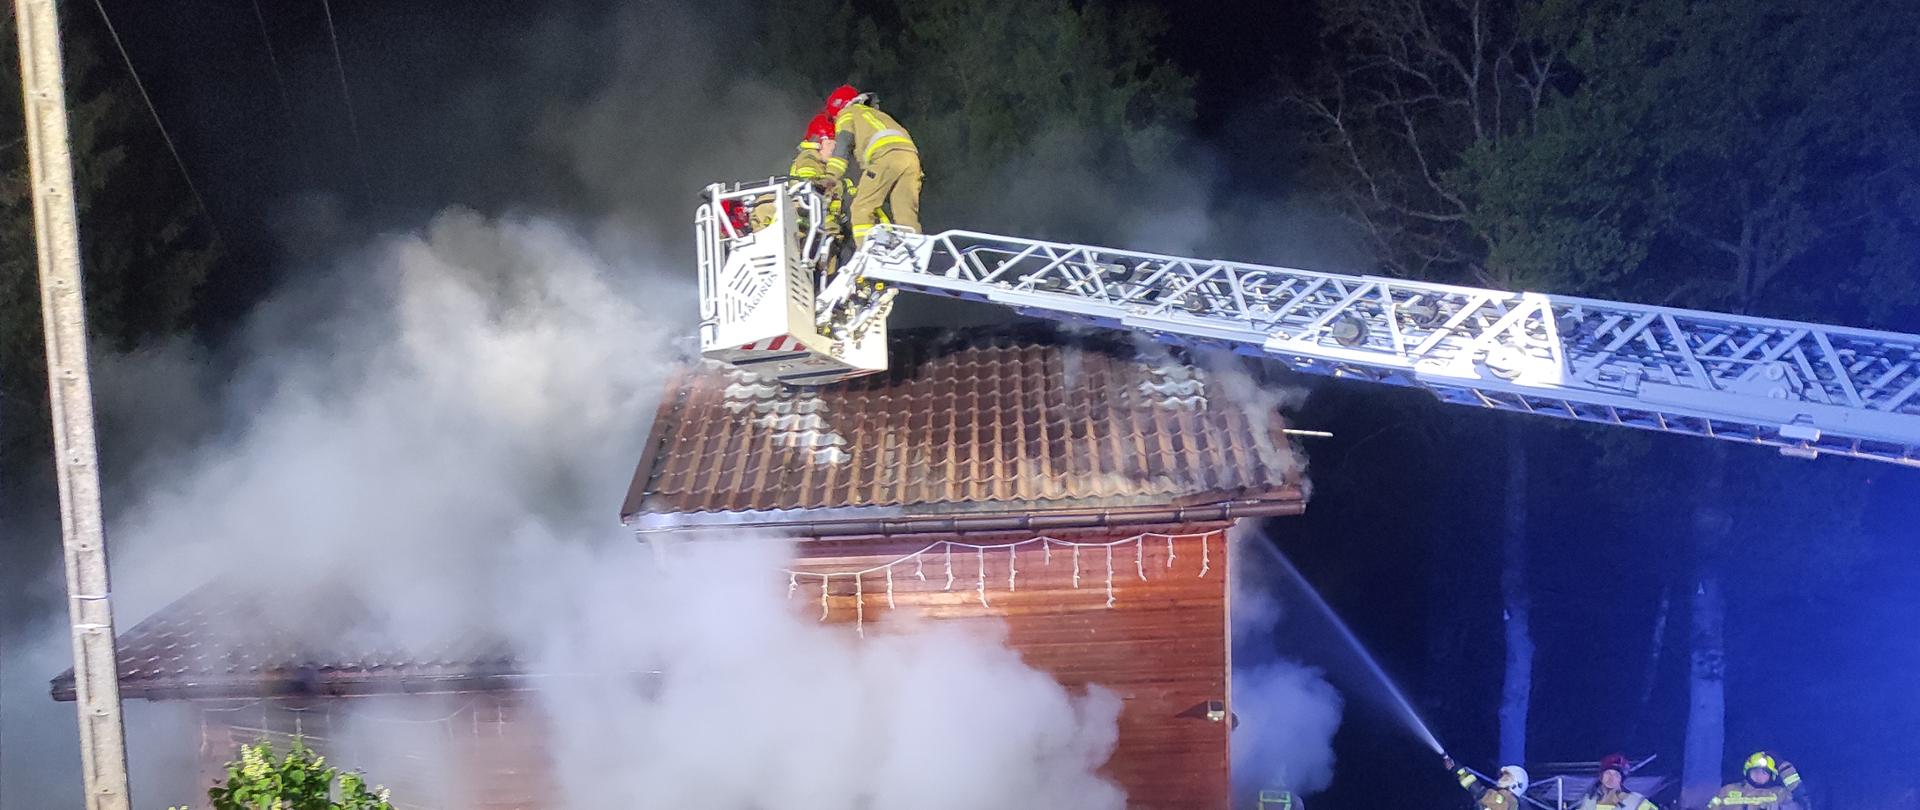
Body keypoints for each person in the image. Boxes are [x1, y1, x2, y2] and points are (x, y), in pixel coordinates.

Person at [816, 83, 922, 246]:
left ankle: (865, 257)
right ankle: (915, 256)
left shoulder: (847, 114)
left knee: (861, 209)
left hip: (885, 159)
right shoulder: (877, 114)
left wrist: (831, 176)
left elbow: (842, 147)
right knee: (905, 216)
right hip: (911, 159)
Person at [751, 114, 839, 232]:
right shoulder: (809, 157)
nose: (833, 149)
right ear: (816, 143)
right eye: (829, 143)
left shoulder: (821, 163)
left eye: (835, 144)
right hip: (806, 213)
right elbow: (810, 186)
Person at [1707, 751, 1803, 810]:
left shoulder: (1780, 794)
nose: (1759, 775)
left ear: (1771, 776)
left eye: (1764, 773)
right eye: (1755, 771)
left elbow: (1801, 800)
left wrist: (1780, 808)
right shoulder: (1728, 790)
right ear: (1747, 771)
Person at [1576, 753, 1656, 810]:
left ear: (1621, 779)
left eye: (1616, 775)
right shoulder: (1589, 803)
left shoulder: (1634, 801)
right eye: (1608, 773)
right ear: (1601, 776)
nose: (1611, 778)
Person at [1444, 754, 1526, 809]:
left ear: (1515, 785)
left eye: (1506, 777)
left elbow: (1481, 794)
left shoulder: (1507, 802)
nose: (1500, 778)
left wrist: (1457, 770)